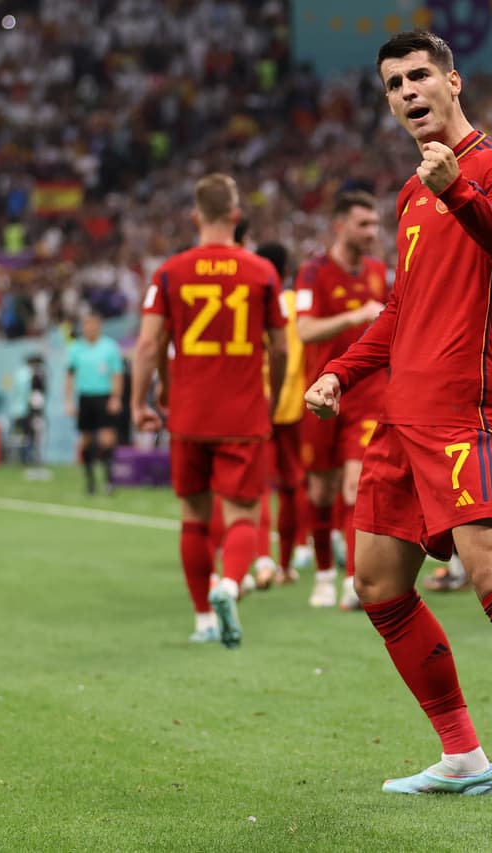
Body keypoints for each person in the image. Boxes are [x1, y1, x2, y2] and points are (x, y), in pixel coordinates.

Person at [304, 30, 492, 816]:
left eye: (417, 76)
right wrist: (342, 369)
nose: (405, 92)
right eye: (393, 83)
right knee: (377, 583)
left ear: (453, 82)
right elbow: (402, 307)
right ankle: (463, 753)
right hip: (401, 420)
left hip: (467, 415)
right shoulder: (407, 194)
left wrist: (458, 191)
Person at [132, 173, 288, 648]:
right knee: (243, 514)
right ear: (237, 217)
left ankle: (202, 617)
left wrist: (145, 398)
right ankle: (229, 584)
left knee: (193, 518)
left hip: (189, 415)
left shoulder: (170, 271)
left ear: (195, 217)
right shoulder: (262, 272)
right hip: (242, 413)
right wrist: (275, 397)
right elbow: (280, 348)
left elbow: (148, 343)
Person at [295, 191, 388, 610]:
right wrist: (353, 316)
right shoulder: (312, 273)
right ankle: (323, 574)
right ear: (339, 225)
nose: (372, 232)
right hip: (320, 394)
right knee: (320, 490)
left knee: (355, 486)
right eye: (363, 224)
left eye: (374, 224)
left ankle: (353, 580)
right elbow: (304, 331)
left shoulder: (379, 271)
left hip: (367, 396)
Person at [260, 240, 313, 586]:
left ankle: (261, 559)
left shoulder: (254, 301)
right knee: (293, 485)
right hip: (294, 405)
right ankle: (285, 564)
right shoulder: (296, 305)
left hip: (256, 407)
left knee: (257, 486)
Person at [64, 311, 124, 495]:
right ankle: (90, 482)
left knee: (107, 438)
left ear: (99, 326)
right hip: (85, 397)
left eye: (93, 324)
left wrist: (116, 397)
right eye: (87, 324)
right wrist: (68, 400)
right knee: (86, 440)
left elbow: (117, 374)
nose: (90, 328)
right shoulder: (76, 348)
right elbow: (69, 376)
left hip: (104, 396)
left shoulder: (109, 347)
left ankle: (109, 480)